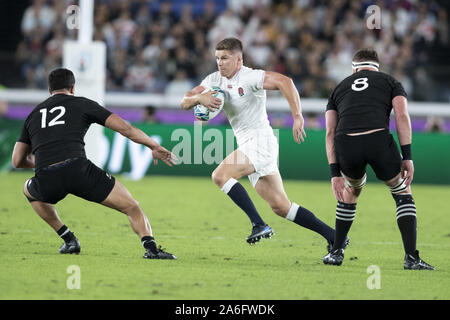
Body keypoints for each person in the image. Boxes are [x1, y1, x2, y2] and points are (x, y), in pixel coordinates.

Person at [180, 38, 342, 251]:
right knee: (281, 207)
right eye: (217, 58)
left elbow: (286, 82)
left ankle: (259, 224)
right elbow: (184, 101)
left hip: (261, 142)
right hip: (251, 145)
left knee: (220, 175)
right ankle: (334, 237)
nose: (220, 62)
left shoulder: (250, 77)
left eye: (225, 58)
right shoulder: (213, 80)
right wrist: (199, 98)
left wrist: (297, 116)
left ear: (238, 59)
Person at [12, 68, 177, 259]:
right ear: (72, 87)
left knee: (28, 189)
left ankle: (69, 239)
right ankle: (152, 249)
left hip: (47, 176)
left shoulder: (33, 114)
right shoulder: (82, 104)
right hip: (79, 170)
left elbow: (17, 160)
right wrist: (153, 145)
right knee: (132, 207)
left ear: (49, 89)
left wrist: (44, 161)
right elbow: (126, 129)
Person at [323, 48, 434, 270]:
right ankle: (411, 258)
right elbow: (402, 116)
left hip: (347, 142)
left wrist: (335, 173)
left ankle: (336, 253)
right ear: (377, 66)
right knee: (401, 191)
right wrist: (408, 156)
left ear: (354, 68)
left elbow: (329, 132)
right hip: (377, 139)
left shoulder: (339, 88)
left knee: (351, 190)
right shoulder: (390, 81)